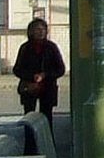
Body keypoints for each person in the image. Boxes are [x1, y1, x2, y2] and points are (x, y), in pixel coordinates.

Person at [13, 15, 65, 148]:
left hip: (48, 88)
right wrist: (32, 77)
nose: (40, 31)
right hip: (29, 88)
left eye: (43, 29)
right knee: (29, 118)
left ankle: (47, 146)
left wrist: (45, 75)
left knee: (46, 118)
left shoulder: (51, 47)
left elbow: (60, 69)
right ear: (30, 31)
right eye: (37, 29)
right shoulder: (25, 48)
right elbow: (17, 69)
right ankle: (29, 147)